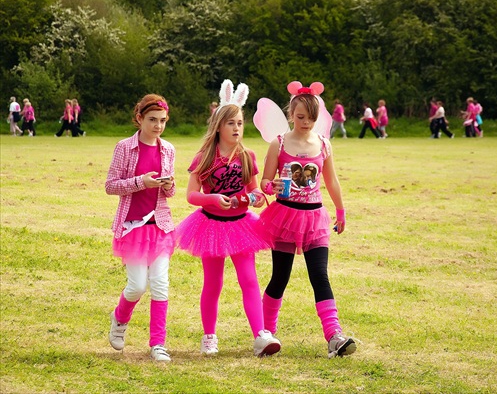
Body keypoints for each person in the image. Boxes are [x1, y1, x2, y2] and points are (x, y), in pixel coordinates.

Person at [176, 79, 281, 357]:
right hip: (210, 225)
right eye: (231, 123)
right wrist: (211, 199)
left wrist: (258, 195)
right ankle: (209, 336)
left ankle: (260, 335)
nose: (237, 128)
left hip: (241, 225)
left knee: (249, 280)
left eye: (240, 123)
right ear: (219, 126)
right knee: (214, 283)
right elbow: (191, 195)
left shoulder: (247, 156)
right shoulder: (204, 158)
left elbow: (254, 188)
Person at [258, 81, 356, 359]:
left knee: (320, 276)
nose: (306, 123)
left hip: (314, 218)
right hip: (285, 217)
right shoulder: (278, 144)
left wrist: (340, 210)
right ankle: (266, 334)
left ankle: (334, 336)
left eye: (311, 118)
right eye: (301, 117)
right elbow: (265, 180)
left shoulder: (323, 144)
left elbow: (332, 180)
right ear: (291, 114)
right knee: (280, 277)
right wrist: (270, 186)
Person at [105, 94, 176, 362]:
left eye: (162, 121)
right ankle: (119, 318)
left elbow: (170, 192)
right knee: (136, 286)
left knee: (160, 284)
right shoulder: (124, 147)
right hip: (132, 226)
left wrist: (168, 186)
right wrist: (140, 182)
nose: (158, 126)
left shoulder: (168, 149)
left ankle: (158, 344)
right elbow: (111, 185)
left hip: (160, 225)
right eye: (152, 120)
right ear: (139, 119)